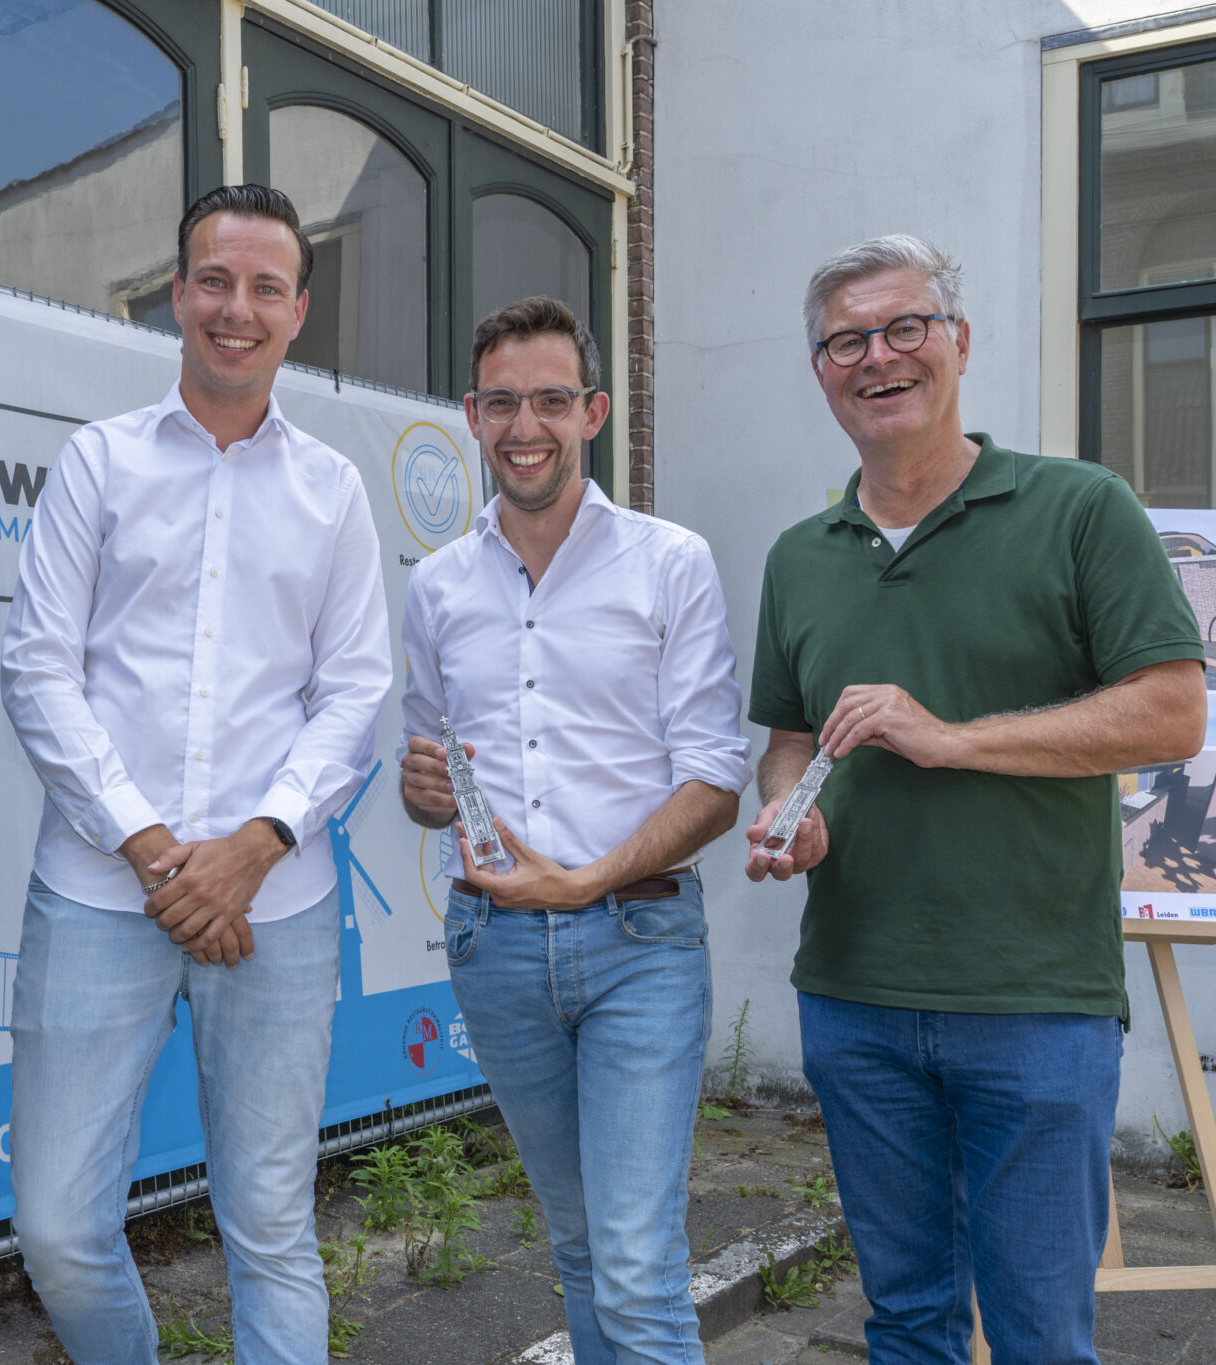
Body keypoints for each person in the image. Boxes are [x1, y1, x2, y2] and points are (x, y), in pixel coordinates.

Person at [743, 235, 1206, 1362]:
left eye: (904, 327)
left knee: (1041, 1335)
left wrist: (948, 739)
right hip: (853, 997)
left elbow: (1170, 712)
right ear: (820, 372)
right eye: (847, 340)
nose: (878, 356)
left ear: (957, 342)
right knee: (905, 1324)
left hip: (1034, 1000)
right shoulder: (799, 556)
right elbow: (789, 740)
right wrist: (790, 811)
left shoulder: (1080, 508)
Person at [0, 183, 392, 1365]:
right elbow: (37, 670)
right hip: (96, 890)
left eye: (266, 287)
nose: (237, 308)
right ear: (175, 295)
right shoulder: (98, 463)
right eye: (214, 280)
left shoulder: (331, 490)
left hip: (277, 905)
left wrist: (253, 847)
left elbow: (353, 693)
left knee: (269, 1223)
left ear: (298, 311)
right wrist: (156, 851)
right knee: (58, 1227)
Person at [396, 296, 751, 1363]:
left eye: (551, 401)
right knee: (582, 1244)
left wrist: (585, 879)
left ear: (592, 412)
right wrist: (425, 793)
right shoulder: (437, 587)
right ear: (471, 416)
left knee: (636, 1263)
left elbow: (715, 779)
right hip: (495, 948)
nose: (526, 427)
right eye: (502, 403)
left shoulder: (668, 561)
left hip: (639, 941)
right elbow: (432, 779)